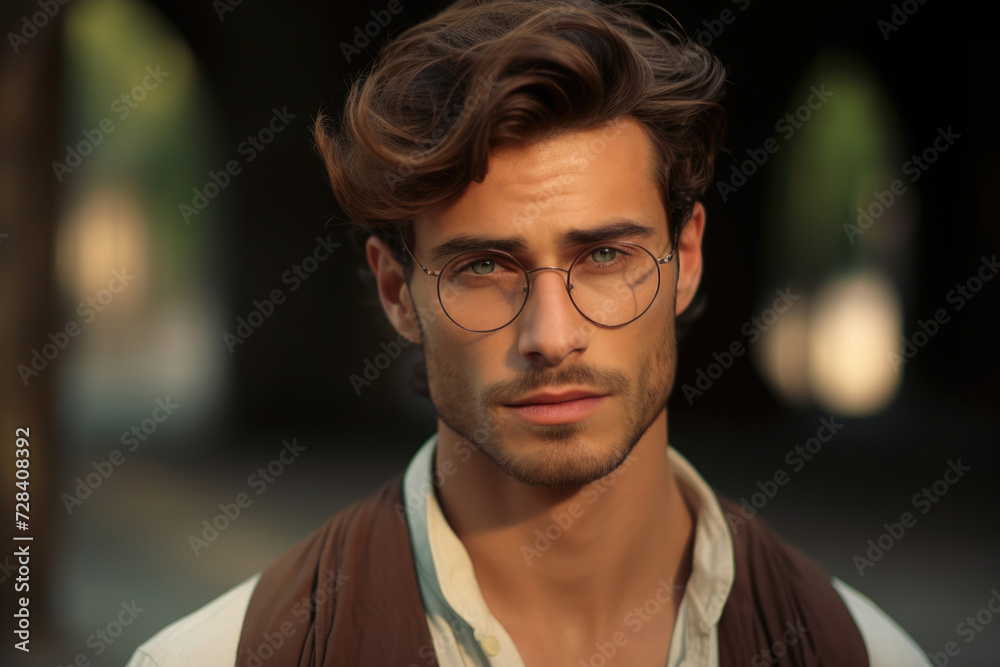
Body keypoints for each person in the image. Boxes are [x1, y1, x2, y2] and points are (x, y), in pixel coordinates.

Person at [128, 1, 931, 665]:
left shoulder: (866, 653)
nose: (552, 335)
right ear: (396, 291)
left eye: (607, 255)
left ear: (685, 259)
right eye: (483, 267)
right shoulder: (214, 656)